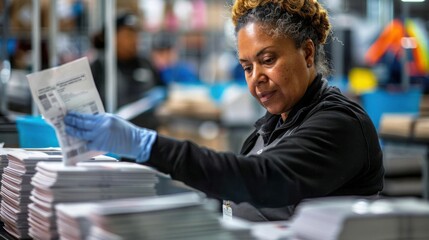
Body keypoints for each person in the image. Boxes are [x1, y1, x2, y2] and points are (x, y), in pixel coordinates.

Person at [64, 0, 384, 222]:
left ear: (308, 53)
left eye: (268, 60)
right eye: (247, 66)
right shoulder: (268, 129)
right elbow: (231, 196)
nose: (256, 77)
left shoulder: (340, 124)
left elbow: (264, 179)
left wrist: (147, 146)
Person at [90, 12, 165, 129]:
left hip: (147, 135)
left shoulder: (146, 63)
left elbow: (163, 92)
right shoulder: (99, 67)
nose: (134, 40)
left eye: (136, 34)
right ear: (112, 37)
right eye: (127, 35)